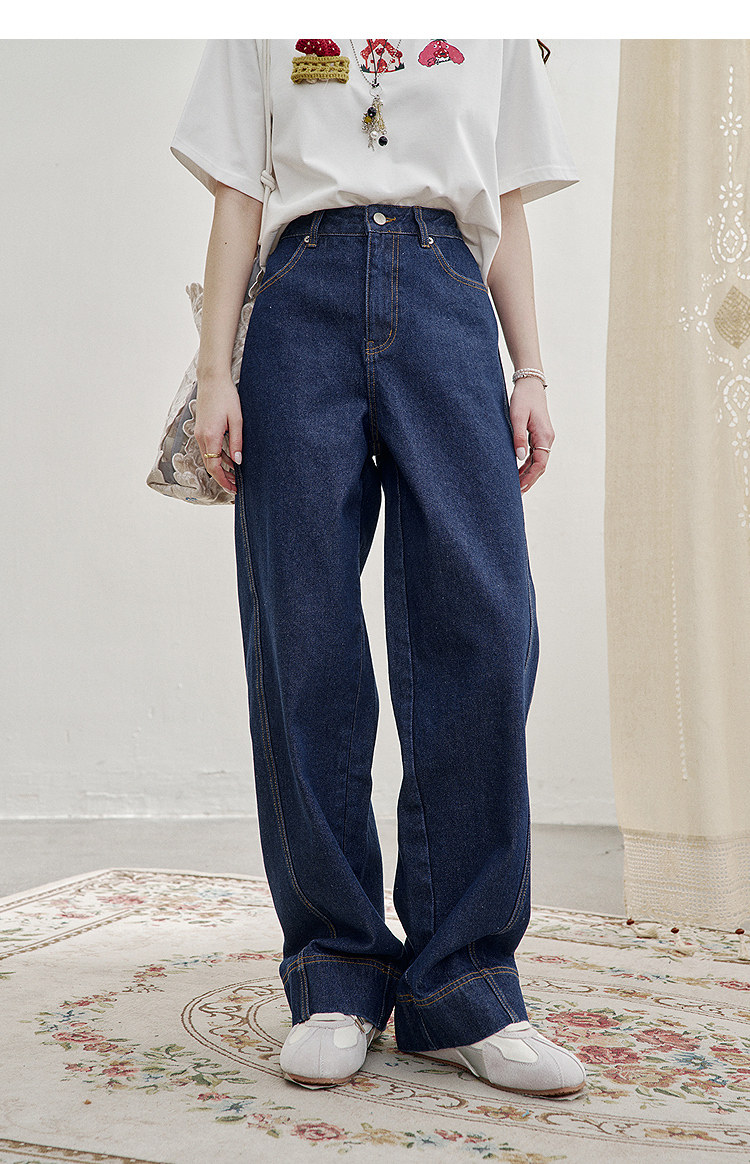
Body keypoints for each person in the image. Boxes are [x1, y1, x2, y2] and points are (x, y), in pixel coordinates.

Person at [170, 37, 585, 1098]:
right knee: (302, 626)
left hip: (449, 294)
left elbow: (506, 204)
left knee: (484, 627)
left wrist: (532, 369)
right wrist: (216, 372)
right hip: (298, 299)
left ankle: (467, 987)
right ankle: (335, 972)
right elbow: (237, 194)